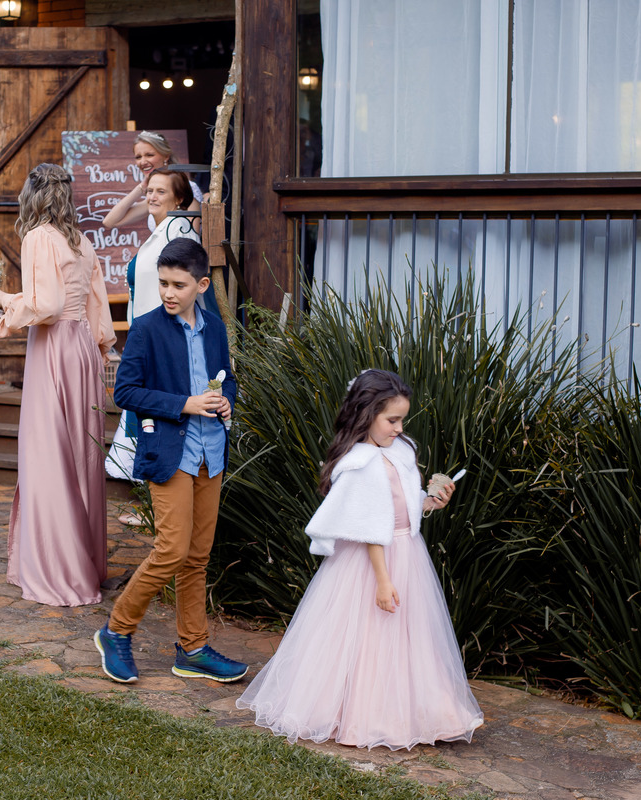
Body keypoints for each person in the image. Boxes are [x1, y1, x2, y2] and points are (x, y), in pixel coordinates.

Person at [237, 370, 484, 750]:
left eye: (402, 420)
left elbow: (401, 505)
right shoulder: (360, 464)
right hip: (371, 563)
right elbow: (369, 527)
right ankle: (359, 715)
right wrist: (383, 581)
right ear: (366, 415)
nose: (399, 428)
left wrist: (430, 501)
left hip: (405, 552)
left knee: (407, 637)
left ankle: (419, 711)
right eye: (392, 420)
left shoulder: (399, 451)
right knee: (366, 638)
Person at [94, 237, 246, 684]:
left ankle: (192, 649)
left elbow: (227, 379)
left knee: (196, 558)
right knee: (171, 551)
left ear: (202, 285)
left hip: (211, 453)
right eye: (163, 283)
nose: (168, 293)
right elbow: (126, 392)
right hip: (169, 453)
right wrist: (185, 404)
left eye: (178, 285)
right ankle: (116, 631)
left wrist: (226, 400)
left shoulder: (215, 328)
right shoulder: (146, 328)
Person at [0, 163, 116, 607]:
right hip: (83, 348)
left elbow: (46, 307)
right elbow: (96, 305)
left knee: (47, 456)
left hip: (54, 349)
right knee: (80, 456)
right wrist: (100, 348)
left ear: (32, 195)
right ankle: (86, 562)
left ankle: (59, 570)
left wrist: (2, 299)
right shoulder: (82, 240)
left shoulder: (39, 237)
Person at [104, 168, 212, 488]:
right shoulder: (162, 228)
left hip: (163, 339)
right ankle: (151, 494)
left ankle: (160, 492)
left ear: (179, 199)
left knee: (155, 414)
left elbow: (182, 289)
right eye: (149, 190)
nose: (151, 196)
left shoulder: (178, 230)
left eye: (160, 191)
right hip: (146, 335)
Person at [101, 131, 202, 233]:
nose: (143, 162)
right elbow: (109, 222)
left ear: (166, 156)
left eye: (149, 155)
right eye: (138, 157)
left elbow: (191, 236)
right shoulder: (154, 197)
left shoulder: (186, 188)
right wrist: (141, 188)